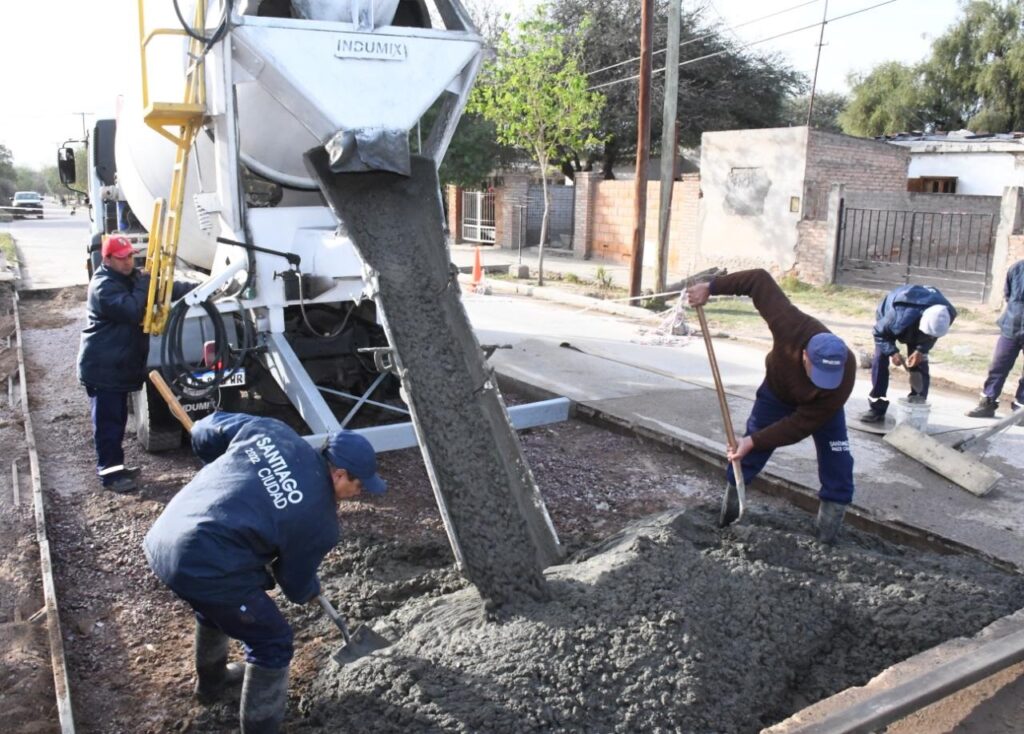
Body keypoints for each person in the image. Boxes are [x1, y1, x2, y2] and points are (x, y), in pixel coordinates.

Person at [143, 412, 386, 734]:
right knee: (273, 641)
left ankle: (212, 685)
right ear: (340, 474)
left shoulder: (273, 431)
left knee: (217, 606)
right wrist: (308, 587)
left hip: (166, 534)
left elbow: (203, 429)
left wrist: (226, 476)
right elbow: (294, 584)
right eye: (360, 486)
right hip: (202, 563)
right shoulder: (320, 521)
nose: (360, 493)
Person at [686, 269, 856, 544]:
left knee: (839, 464)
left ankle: (826, 538)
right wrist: (711, 287)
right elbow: (758, 280)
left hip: (821, 412)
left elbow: (800, 425)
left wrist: (755, 440)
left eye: (829, 378)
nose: (823, 383)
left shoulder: (843, 375)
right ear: (804, 356)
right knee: (746, 454)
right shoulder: (790, 325)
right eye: (818, 374)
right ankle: (727, 518)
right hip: (776, 394)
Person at [76, 235, 192, 493]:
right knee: (108, 422)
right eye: (122, 258)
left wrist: (196, 289)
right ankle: (109, 474)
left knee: (116, 419)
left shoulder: (126, 279)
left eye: (130, 256)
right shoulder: (103, 286)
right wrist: (146, 283)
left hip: (117, 364)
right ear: (106, 259)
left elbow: (159, 291)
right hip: (103, 367)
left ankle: (116, 467)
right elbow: (132, 310)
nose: (129, 262)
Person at [858, 285, 956, 424]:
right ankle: (877, 407)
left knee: (920, 362)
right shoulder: (898, 316)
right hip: (891, 319)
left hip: (920, 319)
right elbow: (879, 333)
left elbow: (933, 335)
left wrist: (920, 350)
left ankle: (916, 406)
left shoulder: (947, 313)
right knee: (880, 359)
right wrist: (892, 352)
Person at [967, 259, 1024, 418]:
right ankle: (987, 404)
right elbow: (1008, 295)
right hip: (1011, 327)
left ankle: (1020, 411)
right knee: (998, 366)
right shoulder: (1017, 268)